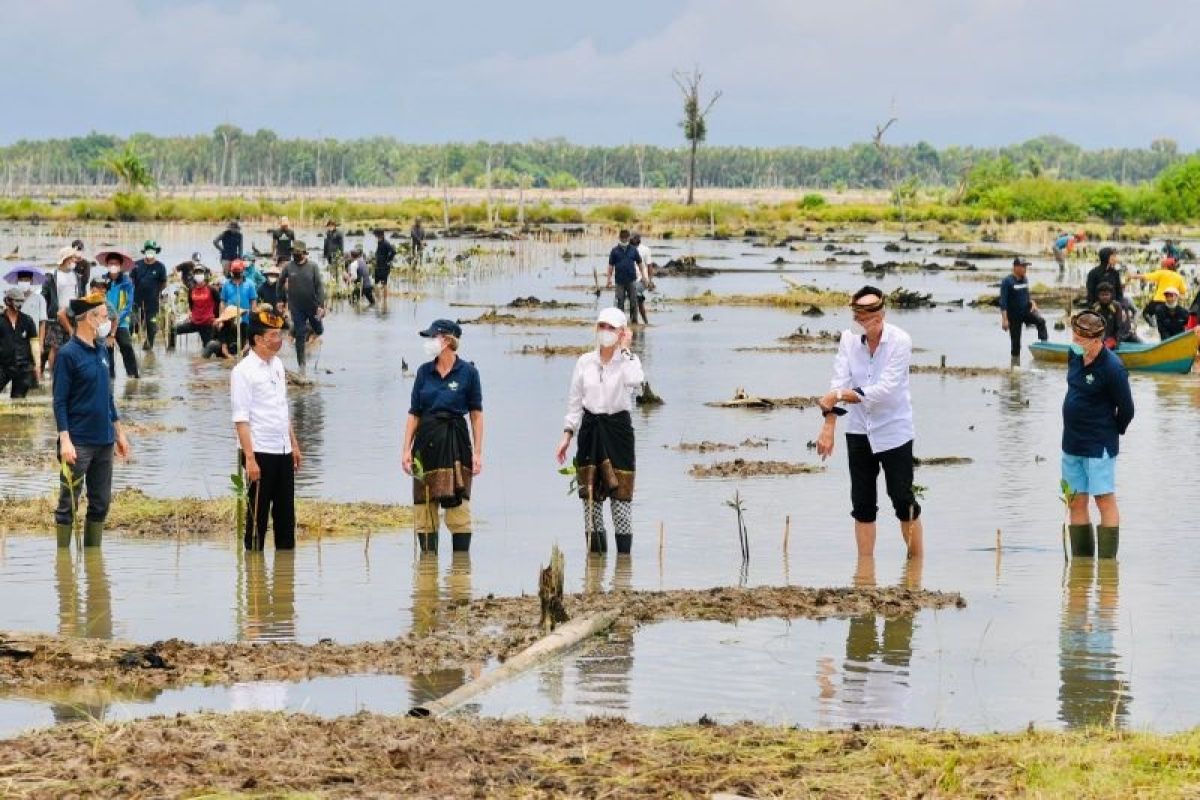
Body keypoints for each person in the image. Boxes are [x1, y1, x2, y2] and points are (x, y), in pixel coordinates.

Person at [815, 286, 923, 560]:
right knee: (862, 504)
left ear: (881, 314)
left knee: (903, 500)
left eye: (868, 315)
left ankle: (915, 569)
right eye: (858, 316)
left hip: (894, 430)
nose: (863, 322)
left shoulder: (900, 341)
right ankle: (865, 574)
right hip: (859, 431)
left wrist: (839, 395)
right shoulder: (848, 340)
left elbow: (884, 389)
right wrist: (829, 426)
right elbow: (838, 381)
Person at [555, 308, 645, 554]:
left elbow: (636, 381)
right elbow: (575, 404)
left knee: (621, 501)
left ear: (622, 332)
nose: (605, 332)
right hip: (591, 432)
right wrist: (567, 435)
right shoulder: (585, 362)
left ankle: (623, 570)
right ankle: (595, 567)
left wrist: (625, 349)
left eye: (611, 328)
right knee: (591, 501)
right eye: (602, 326)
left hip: (618, 432)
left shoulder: (629, 361)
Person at [52, 292, 132, 548]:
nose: (107, 322)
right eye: (104, 317)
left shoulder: (102, 351)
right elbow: (59, 401)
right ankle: (63, 564)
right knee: (68, 503)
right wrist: (65, 440)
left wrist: (119, 432)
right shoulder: (68, 354)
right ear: (88, 319)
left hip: (104, 441)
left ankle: (92, 561)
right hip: (78, 443)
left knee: (101, 503)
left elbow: (107, 397)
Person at [402, 319, 484, 554]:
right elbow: (414, 414)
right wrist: (406, 449)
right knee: (425, 508)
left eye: (432, 337)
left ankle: (460, 575)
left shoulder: (469, 373)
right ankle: (428, 574)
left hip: (456, 445)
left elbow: (476, 415)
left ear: (447, 341)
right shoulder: (423, 372)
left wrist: (477, 453)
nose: (428, 342)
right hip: (425, 445)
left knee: (459, 510)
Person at [1061, 311, 1134, 559]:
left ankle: (1107, 570)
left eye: (1081, 339)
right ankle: (1081, 572)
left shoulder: (1113, 368)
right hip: (1071, 442)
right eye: (1074, 335)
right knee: (1075, 501)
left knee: (1104, 500)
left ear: (1096, 340)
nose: (1075, 342)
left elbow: (1127, 409)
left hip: (1099, 444)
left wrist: (1112, 431)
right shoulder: (1074, 355)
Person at [231, 309, 301, 551]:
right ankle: (255, 579)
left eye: (279, 334)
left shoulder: (278, 365)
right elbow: (241, 419)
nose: (278, 339)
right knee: (257, 518)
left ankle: (285, 580)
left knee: (285, 517)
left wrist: (293, 444)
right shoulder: (243, 372)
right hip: (259, 451)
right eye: (273, 335)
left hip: (282, 449)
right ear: (258, 339)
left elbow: (282, 408)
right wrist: (249, 459)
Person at [279, 241, 326, 372]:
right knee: (300, 334)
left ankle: (316, 331)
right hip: (296, 307)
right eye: (293, 252)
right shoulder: (288, 267)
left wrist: (321, 305)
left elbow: (319, 286)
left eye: (298, 252)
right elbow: (280, 282)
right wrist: (280, 300)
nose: (295, 255)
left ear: (304, 253)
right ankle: (302, 365)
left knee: (319, 329)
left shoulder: (313, 267)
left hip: (313, 306)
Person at [42, 247, 85, 377]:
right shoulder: (52, 276)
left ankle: (71, 373)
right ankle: (53, 374)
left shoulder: (76, 276)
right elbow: (44, 296)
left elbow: (81, 294)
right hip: (57, 316)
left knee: (73, 345)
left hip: (74, 315)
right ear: (65, 259)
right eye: (72, 258)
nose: (74, 261)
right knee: (55, 346)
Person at [998, 257, 1048, 361]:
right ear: (1015, 267)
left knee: (1041, 321)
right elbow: (1003, 302)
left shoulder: (1025, 279)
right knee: (1016, 344)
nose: (1025, 269)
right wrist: (1005, 319)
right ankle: (1015, 365)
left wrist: (1032, 302)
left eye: (1026, 267)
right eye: (1023, 267)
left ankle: (1045, 347)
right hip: (1014, 316)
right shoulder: (1007, 281)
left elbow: (1026, 295)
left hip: (1026, 311)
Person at [99, 253, 138, 379]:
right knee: (107, 350)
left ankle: (133, 375)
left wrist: (117, 319)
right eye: (111, 264)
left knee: (126, 346)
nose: (113, 266)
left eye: (116, 264)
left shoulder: (127, 282)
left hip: (121, 322)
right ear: (107, 265)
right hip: (104, 321)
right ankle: (110, 378)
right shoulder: (103, 280)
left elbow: (128, 304)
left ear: (120, 266)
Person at [1130, 257, 1188, 329]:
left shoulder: (1162, 273)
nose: (1162, 266)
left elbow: (1146, 276)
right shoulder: (1179, 277)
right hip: (1171, 303)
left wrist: (1132, 276)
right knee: (1168, 322)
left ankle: (1153, 327)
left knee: (1146, 313)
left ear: (1166, 266)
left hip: (1158, 301)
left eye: (1163, 265)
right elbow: (1183, 292)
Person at [0, 287, 38, 398]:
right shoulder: (1, 320)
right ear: (8, 301)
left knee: (18, 400)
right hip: (3, 366)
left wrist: (37, 365)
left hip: (24, 367)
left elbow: (34, 343)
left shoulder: (28, 320)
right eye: (17, 300)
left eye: (22, 301)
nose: (20, 303)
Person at [11, 269, 45, 387]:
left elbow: (42, 322)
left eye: (26, 280)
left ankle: (35, 387)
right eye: (21, 280)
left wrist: (41, 343)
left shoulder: (39, 299)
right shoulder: (13, 300)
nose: (23, 282)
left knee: (34, 368)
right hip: (17, 339)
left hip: (33, 339)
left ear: (31, 281)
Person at [131, 240, 167, 351]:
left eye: (152, 250)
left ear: (155, 251)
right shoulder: (136, 265)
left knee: (151, 325)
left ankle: (149, 345)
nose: (150, 252)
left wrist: (156, 292)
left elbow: (163, 283)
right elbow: (131, 280)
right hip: (137, 300)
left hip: (152, 301)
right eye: (148, 250)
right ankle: (132, 346)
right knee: (134, 324)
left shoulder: (160, 267)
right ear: (145, 251)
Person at [174, 266, 221, 348]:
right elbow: (191, 305)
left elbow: (220, 304)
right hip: (194, 322)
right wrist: (190, 314)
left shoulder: (212, 289)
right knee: (173, 330)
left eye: (200, 273)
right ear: (194, 276)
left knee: (207, 349)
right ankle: (171, 354)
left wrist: (218, 319)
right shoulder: (191, 290)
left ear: (204, 275)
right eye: (196, 273)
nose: (198, 275)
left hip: (207, 323)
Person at [605, 229, 643, 320]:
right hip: (619, 281)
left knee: (633, 301)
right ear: (619, 238)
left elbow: (640, 263)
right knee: (620, 302)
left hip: (632, 280)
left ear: (628, 238)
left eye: (626, 238)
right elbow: (610, 266)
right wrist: (608, 280)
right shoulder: (614, 251)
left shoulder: (633, 250)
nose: (624, 240)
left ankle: (634, 321)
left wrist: (644, 277)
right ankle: (620, 321)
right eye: (622, 238)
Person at [1092, 283, 1136, 349]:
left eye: (1107, 295)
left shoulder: (1116, 306)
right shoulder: (1095, 307)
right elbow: (1093, 327)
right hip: (1101, 338)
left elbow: (1119, 325)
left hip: (1116, 337)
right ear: (1098, 296)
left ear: (1111, 295)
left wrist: (1117, 341)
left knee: (1136, 340)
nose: (1104, 297)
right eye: (1102, 295)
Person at [629, 232, 652, 325]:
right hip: (630, 279)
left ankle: (634, 321)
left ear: (638, 239)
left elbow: (649, 266)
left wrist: (649, 280)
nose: (631, 240)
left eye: (633, 239)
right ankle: (645, 322)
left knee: (634, 296)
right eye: (630, 239)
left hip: (642, 280)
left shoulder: (645, 250)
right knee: (638, 301)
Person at [373, 228, 395, 301]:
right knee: (376, 283)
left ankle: (385, 301)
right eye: (376, 236)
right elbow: (378, 252)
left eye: (377, 236)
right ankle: (377, 300)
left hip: (384, 266)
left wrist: (388, 260)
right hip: (378, 265)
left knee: (384, 283)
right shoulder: (379, 242)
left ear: (381, 236)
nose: (376, 238)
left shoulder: (386, 243)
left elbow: (393, 251)